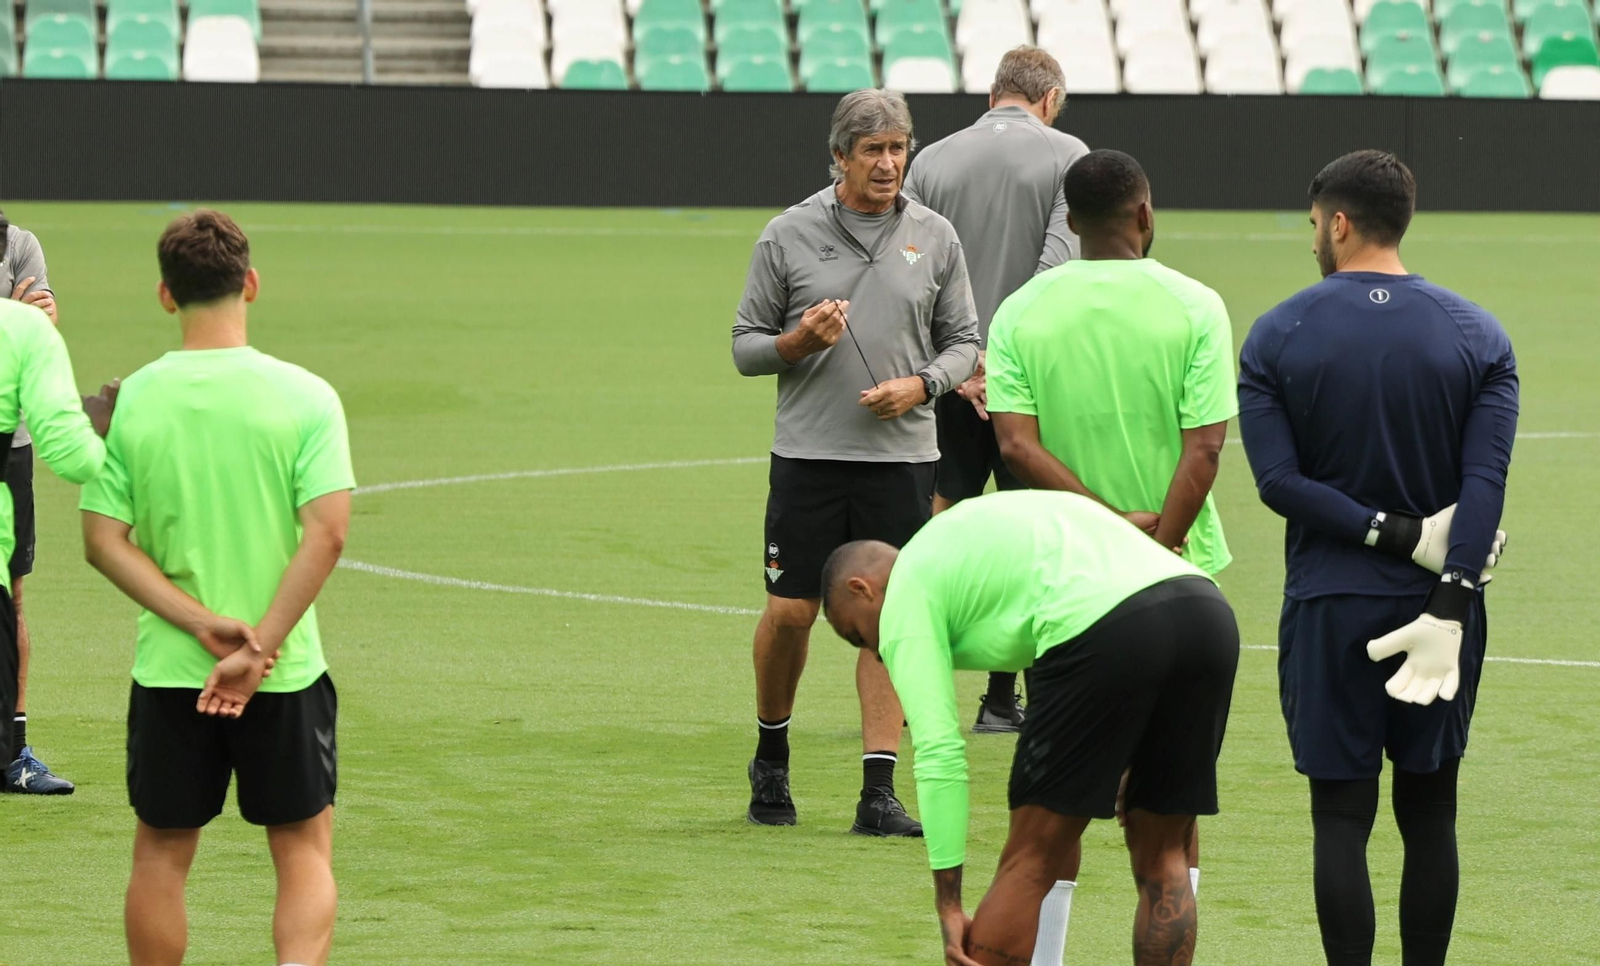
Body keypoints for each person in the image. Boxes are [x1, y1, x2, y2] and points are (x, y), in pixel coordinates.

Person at [1238, 150, 1516, 966]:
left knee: (1341, 819)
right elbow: (1485, 481)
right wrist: (1453, 599)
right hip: (1443, 612)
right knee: (1431, 813)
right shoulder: (1478, 333)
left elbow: (1279, 483)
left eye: (1314, 225)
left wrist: (1387, 533)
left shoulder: (1277, 330)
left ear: (1339, 222)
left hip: (1331, 603)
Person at [80, 210, 354, 966]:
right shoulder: (306, 395)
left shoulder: (130, 400)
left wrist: (203, 627)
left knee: (160, 856)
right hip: (284, 669)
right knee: (303, 849)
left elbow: (103, 543)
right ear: (252, 284)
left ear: (167, 296)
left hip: (173, 671)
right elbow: (326, 534)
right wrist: (259, 645)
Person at [819, 490, 1239, 966]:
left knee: (1031, 858)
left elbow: (939, 752)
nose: (873, 652)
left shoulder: (906, 589)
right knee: (1165, 854)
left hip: (1103, 625)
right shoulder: (966, 532)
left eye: (856, 634)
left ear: (861, 589)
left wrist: (949, 902)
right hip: (1204, 611)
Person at [985, 148, 1237, 905]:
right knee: (1169, 812)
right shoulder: (1196, 304)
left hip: (1067, 577)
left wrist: (1103, 530)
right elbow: (1207, 448)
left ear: (1069, 223)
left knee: (1052, 811)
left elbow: (1015, 445)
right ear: (1145, 213)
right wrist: (1152, 545)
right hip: (1181, 572)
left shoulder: (1020, 309)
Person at [731, 89, 981, 834]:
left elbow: (965, 340)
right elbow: (745, 345)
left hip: (902, 461)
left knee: (894, 620)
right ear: (839, 157)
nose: (888, 163)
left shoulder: (935, 236)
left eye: (898, 148)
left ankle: (879, 790)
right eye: (872, 150)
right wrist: (796, 344)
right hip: (808, 456)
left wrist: (924, 384)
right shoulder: (787, 235)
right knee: (790, 612)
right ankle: (771, 757)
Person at [900, 44, 1089, 735]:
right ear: (1050, 100)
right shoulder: (1070, 154)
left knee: (936, 526)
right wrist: (996, 363)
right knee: (1028, 534)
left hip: (944, 380)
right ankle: (1003, 698)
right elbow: (1054, 266)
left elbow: (909, 268)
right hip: (1025, 380)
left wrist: (961, 362)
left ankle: (917, 699)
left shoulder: (932, 159)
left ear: (992, 96)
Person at [0, 211, 75, 795]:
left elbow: (43, 325)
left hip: (11, 444)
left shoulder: (20, 244)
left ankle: (12, 749)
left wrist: (35, 320)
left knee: (12, 594)